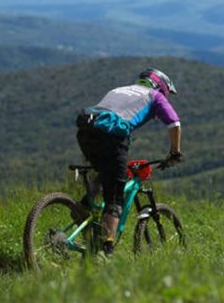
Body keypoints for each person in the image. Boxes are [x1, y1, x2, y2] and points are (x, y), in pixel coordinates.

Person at [75, 68, 183, 256]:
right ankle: (104, 251)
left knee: (107, 172)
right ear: (161, 86)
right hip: (112, 138)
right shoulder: (155, 96)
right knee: (115, 198)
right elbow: (174, 123)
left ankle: (85, 205)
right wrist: (174, 152)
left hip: (85, 132)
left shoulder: (118, 90)